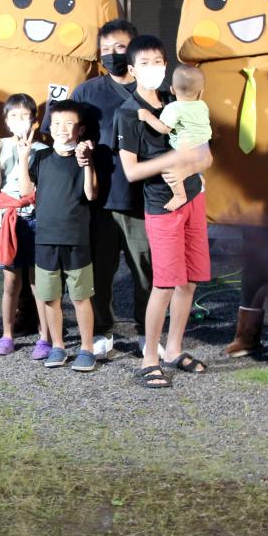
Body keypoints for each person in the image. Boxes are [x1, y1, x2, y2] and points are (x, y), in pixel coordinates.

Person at [42, 19, 153, 358]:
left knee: (146, 269)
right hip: (98, 196)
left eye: (120, 47)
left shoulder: (155, 89)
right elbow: (58, 131)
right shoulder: (87, 92)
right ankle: (104, 329)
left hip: (143, 196)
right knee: (101, 270)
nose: (112, 55)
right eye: (105, 50)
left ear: (134, 49)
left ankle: (147, 331)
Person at [116, 36, 213, 388]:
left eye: (159, 61)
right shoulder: (128, 114)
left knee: (189, 281)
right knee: (165, 283)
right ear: (132, 69)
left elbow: (206, 156)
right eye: (146, 63)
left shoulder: (178, 100)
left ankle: (174, 348)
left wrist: (187, 170)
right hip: (161, 206)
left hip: (193, 198)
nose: (154, 68)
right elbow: (131, 172)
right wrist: (174, 161)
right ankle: (150, 357)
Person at [19, 100, 99, 371]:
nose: (62, 129)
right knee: (50, 296)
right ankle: (58, 346)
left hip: (76, 238)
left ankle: (87, 348)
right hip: (45, 238)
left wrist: (88, 163)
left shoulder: (83, 157)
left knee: (80, 296)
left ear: (81, 129)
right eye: (56, 123)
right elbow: (24, 191)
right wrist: (22, 156)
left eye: (69, 123)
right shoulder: (41, 158)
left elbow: (91, 194)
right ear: (49, 127)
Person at [0, 94, 52, 358]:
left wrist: (24, 157)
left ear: (34, 121)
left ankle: (45, 337)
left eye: (25, 116)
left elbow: (27, 189)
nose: (19, 121)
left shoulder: (42, 151)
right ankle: (7, 335)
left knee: (38, 281)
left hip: (33, 217)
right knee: (11, 281)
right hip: (7, 219)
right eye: (14, 116)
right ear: (6, 120)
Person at [135, 64, 211, 211]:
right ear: (201, 92)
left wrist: (147, 116)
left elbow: (164, 128)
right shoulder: (202, 105)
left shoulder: (174, 108)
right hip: (203, 146)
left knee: (169, 168)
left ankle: (179, 195)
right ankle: (198, 178)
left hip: (185, 149)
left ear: (172, 90)